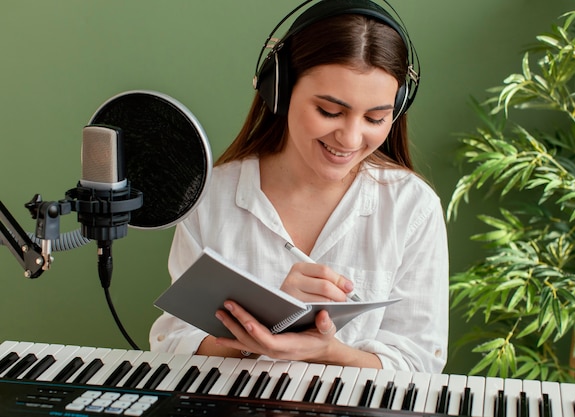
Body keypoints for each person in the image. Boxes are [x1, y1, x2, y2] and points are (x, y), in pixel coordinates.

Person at [150, 0, 449, 374]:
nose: (351, 138)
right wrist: (258, 329)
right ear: (281, 89)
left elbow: (420, 367)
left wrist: (328, 351)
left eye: (376, 118)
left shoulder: (412, 207)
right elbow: (170, 347)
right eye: (330, 112)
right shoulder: (210, 197)